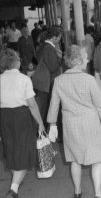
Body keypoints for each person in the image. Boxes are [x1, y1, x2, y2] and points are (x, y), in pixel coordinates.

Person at [47, 45, 101, 198]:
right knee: (96, 160)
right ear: (79, 61)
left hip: (70, 124)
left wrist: (52, 124)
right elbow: (99, 102)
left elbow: (54, 104)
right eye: (85, 58)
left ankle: (77, 192)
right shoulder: (88, 79)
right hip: (90, 123)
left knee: (74, 160)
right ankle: (98, 194)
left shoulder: (59, 80)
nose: (88, 60)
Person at [0, 48, 45, 198]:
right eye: (19, 59)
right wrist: (40, 123)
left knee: (12, 150)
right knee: (25, 151)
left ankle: (15, 184)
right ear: (15, 62)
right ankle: (13, 189)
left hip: (4, 117)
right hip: (21, 116)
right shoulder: (24, 79)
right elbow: (32, 104)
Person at [31, 26, 63, 128]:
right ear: (55, 37)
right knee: (44, 109)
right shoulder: (49, 48)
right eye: (59, 38)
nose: (60, 40)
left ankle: (41, 131)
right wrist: (60, 59)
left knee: (42, 108)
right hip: (46, 83)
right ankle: (42, 132)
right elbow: (53, 67)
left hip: (42, 82)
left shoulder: (43, 46)